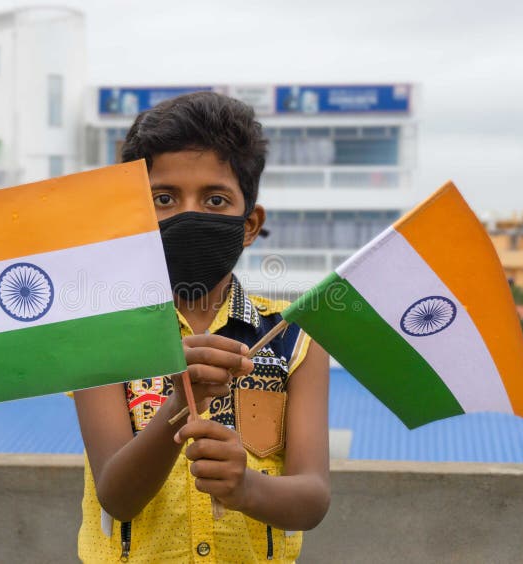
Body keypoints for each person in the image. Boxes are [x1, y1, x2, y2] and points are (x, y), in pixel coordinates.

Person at [73, 92, 330, 563]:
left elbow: (312, 497)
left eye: (215, 199)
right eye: (164, 198)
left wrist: (245, 487)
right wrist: (178, 402)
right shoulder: (101, 335)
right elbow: (117, 495)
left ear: (249, 225)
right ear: (136, 217)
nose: (189, 215)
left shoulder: (294, 339)